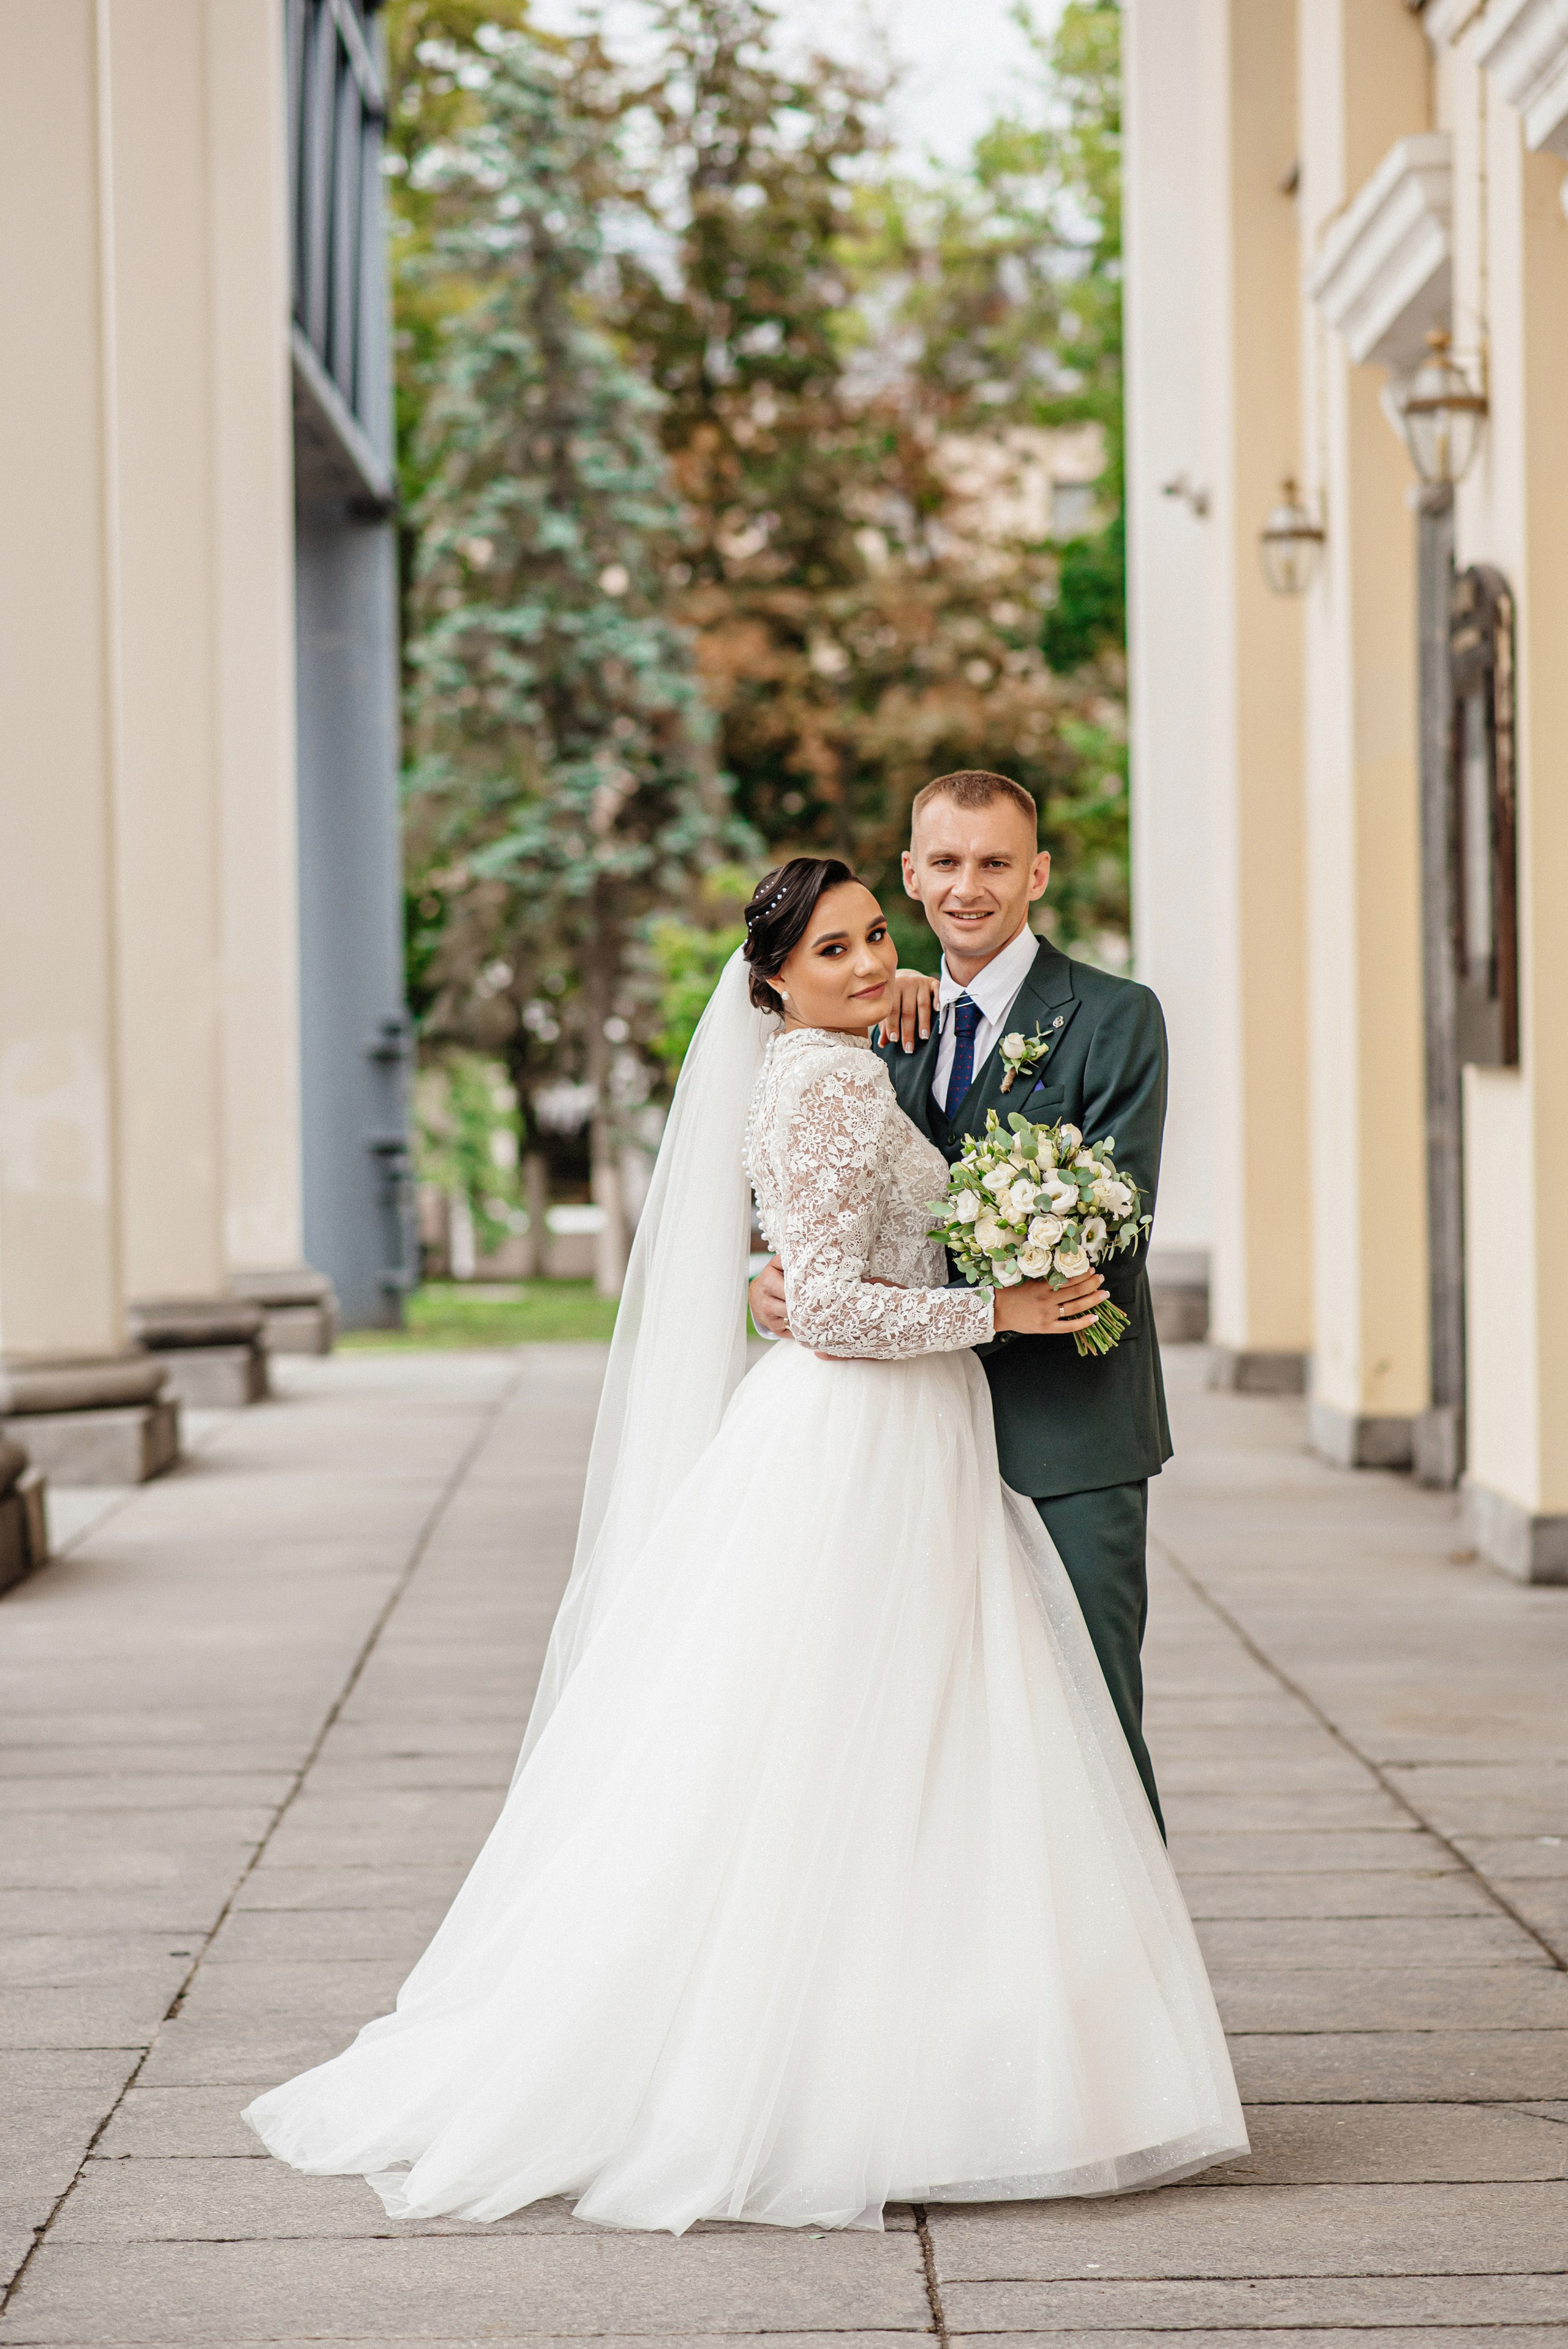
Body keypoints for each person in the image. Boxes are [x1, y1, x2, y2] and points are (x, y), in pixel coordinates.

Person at [243, 857, 1245, 2235]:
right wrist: (996, 1312)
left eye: (873, 936)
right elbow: (824, 1304)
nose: (867, 960)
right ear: (771, 978)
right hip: (861, 1435)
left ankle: (907, 2062)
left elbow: (821, 1257)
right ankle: (839, 2075)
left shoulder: (826, 1056)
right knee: (848, 1747)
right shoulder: (828, 1084)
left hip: (901, 1431)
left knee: (893, 1744)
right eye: (832, 947)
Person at [750, 772, 1172, 1832]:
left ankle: (1126, 1946)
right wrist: (777, 1284)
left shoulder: (1116, 1017)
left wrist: (921, 1300)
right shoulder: (875, 1019)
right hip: (902, 1445)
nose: (967, 887)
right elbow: (826, 1203)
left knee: (1089, 1730)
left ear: (1037, 874)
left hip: (1064, 1434)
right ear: (911, 873)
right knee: (917, 1742)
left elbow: (1112, 1227)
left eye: (994, 863)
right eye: (945, 862)